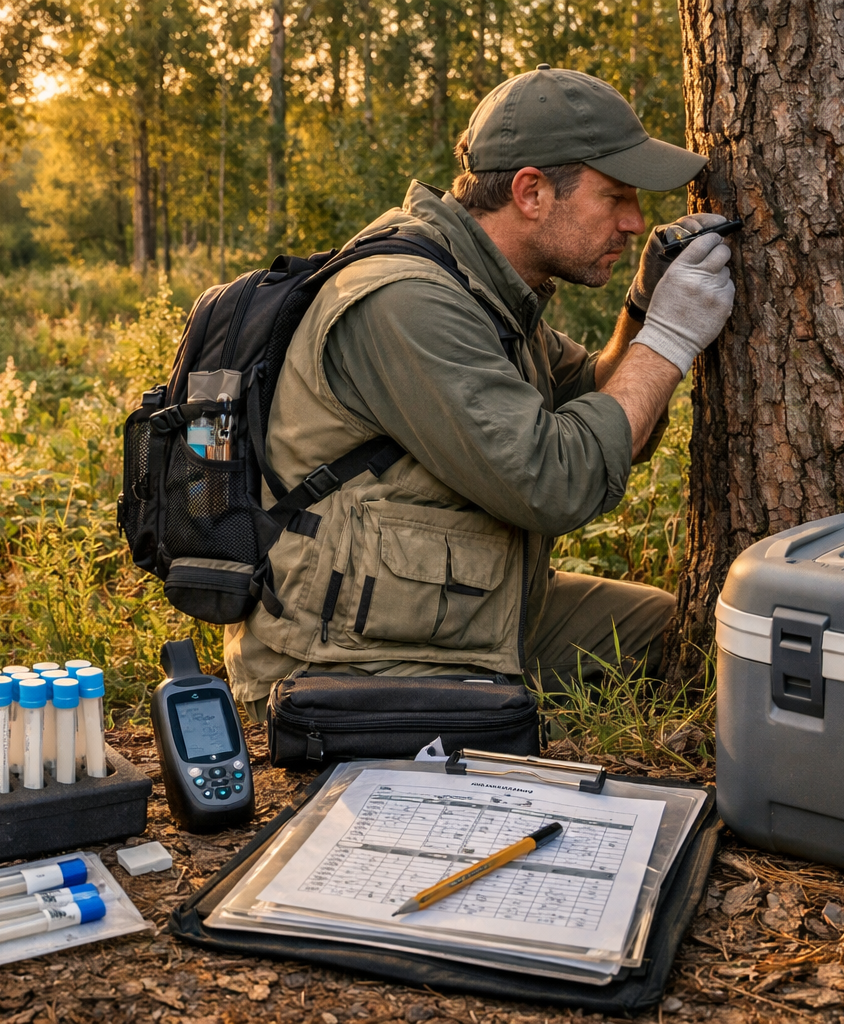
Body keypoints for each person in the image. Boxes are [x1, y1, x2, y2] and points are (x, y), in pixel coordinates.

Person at [224, 64, 736, 718]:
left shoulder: (480, 284)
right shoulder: (408, 302)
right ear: (531, 193)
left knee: (691, 637)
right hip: (349, 653)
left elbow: (588, 396)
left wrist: (640, 310)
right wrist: (668, 338)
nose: (635, 222)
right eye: (617, 197)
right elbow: (555, 479)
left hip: (462, 612)